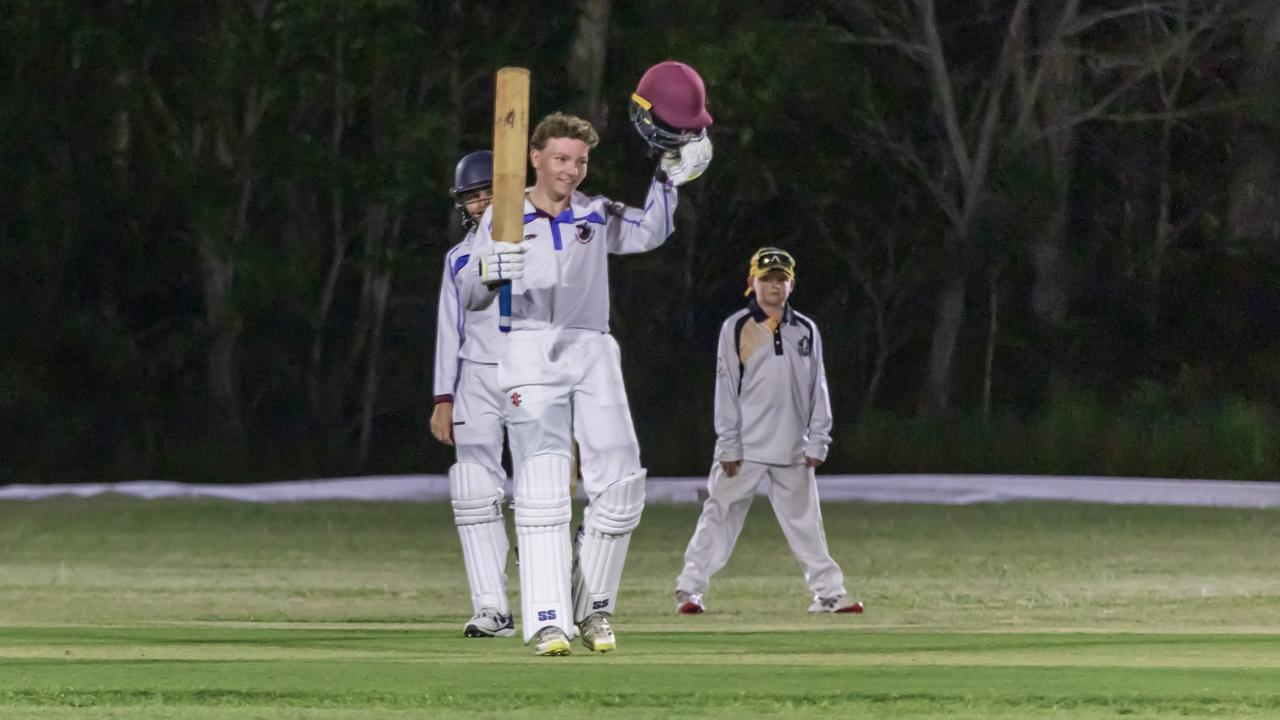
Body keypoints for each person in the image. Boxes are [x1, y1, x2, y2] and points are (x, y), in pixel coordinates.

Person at [459, 102, 713, 655]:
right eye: (560, 159)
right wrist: (487, 269)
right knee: (544, 488)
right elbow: (469, 296)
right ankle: (547, 621)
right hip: (528, 347)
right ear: (535, 158)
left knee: (622, 486)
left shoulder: (595, 213)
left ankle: (592, 610)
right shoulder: (500, 218)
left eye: (579, 161)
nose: (571, 171)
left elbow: (649, 232)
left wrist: (668, 176)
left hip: (592, 348)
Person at [673, 247, 863, 616]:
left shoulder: (805, 328)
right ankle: (689, 590)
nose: (773, 285)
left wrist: (819, 438)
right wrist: (728, 444)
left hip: (793, 446)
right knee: (720, 515)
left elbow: (816, 386)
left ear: (791, 284)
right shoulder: (737, 327)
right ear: (751, 283)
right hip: (745, 447)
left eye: (780, 279)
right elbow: (725, 387)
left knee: (807, 523)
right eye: (766, 278)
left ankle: (829, 593)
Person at [431, 150, 515, 638]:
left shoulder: (544, 238)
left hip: (535, 374)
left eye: (489, 193)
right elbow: (451, 326)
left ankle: (559, 603)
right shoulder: (459, 257)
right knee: (474, 491)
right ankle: (491, 608)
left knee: (541, 494)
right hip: (478, 377)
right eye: (473, 196)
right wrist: (444, 396)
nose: (482, 203)